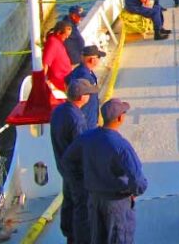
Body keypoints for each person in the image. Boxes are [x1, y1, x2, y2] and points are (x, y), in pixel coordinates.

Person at [63, 99, 148, 244]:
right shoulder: (121, 147)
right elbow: (139, 181)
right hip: (117, 203)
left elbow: (67, 159)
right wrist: (134, 193)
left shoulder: (87, 137)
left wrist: (81, 181)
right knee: (118, 238)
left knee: (98, 237)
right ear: (120, 118)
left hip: (94, 200)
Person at [50, 78, 99, 244]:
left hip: (64, 167)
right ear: (81, 97)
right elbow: (80, 148)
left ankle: (69, 232)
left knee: (69, 200)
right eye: (88, 94)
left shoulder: (58, 111)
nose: (90, 97)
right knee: (82, 206)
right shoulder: (76, 119)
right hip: (77, 172)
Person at [66, 45, 107, 129]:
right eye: (98, 57)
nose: (99, 60)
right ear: (92, 60)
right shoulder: (85, 76)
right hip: (87, 119)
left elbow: (67, 81)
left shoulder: (78, 70)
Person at [43, 20, 74, 92]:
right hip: (60, 81)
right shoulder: (52, 43)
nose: (66, 38)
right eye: (66, 35)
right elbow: (45, 63)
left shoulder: (58, 41)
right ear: (59, 33)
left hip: (66, 77)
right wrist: (43, 81)